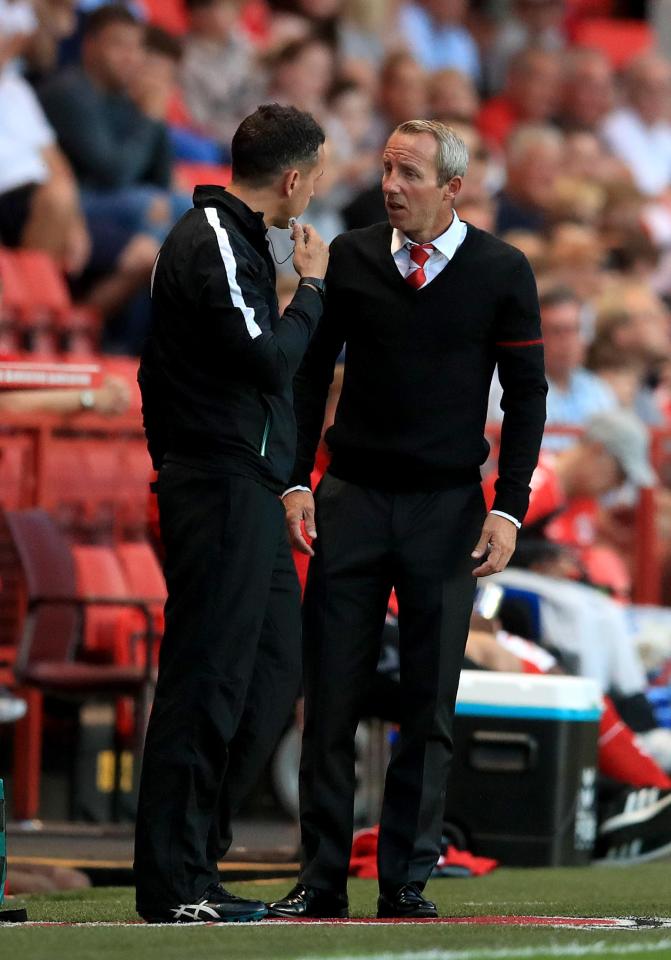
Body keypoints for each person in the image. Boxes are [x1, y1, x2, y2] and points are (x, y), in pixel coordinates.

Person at [268, 119, 547, 920]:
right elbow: (309, 372)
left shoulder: (502, 269)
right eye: (388, 168)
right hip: (350, 497)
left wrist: (508, 508)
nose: (390, 184)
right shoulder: (350, 258)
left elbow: (527, 397)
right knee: (330, 700)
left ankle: (405, 882)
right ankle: (319, 881)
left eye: (410, 173)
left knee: (428, 706)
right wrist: (295, 481)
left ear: (452, 187)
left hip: (447, 511)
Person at [133, 103, 329, 924]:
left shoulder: (236, 242)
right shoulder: (212, 238)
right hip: (216, 483)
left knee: (274, 668)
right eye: (312, 177)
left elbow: (165, 373)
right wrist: (310, 290)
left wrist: (280, 477)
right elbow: (266, 363)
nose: (311, 193)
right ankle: (174, 884)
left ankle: (197, 862)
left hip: (241, 483)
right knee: (206, 678)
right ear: (291, 178)